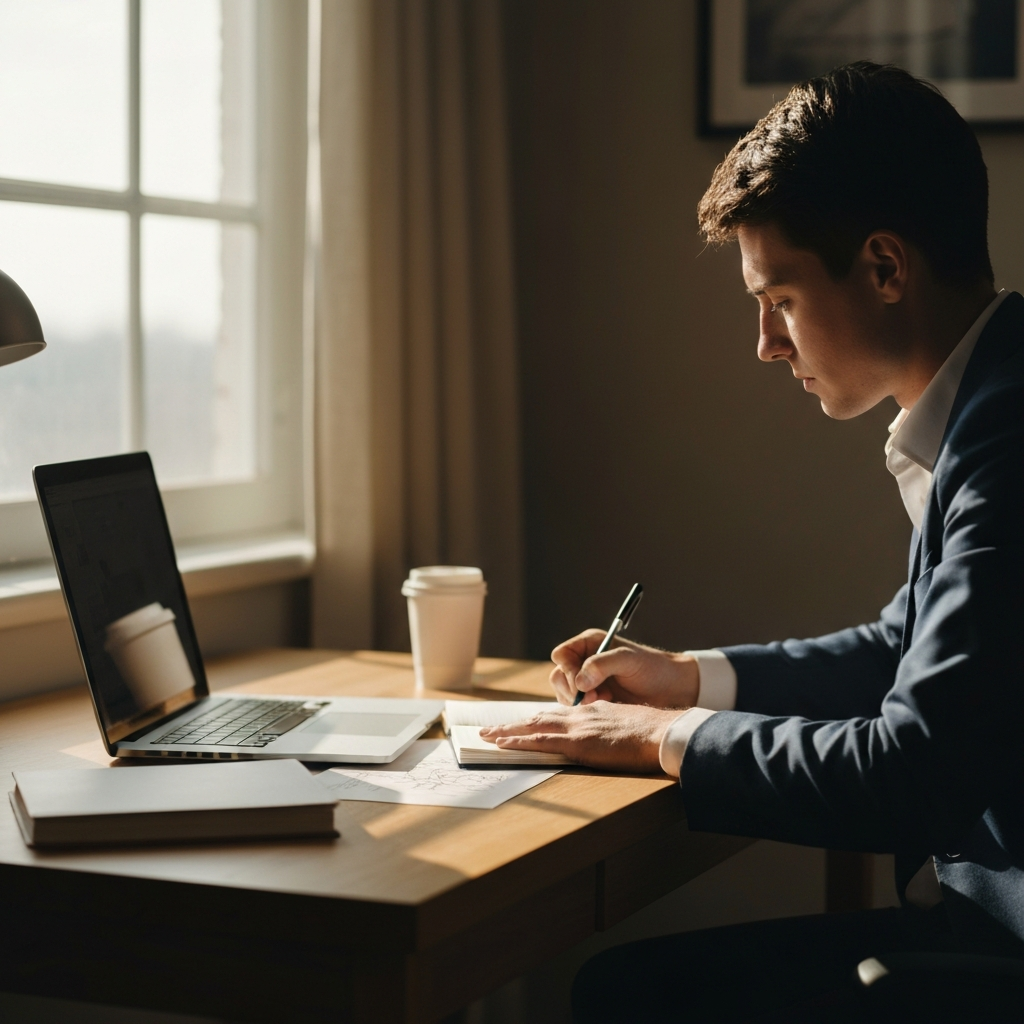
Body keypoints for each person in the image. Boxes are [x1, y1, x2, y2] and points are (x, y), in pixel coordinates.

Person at [480, 62, 1024, 1021]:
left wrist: (659, 738)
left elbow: (912, 771)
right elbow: (905, 652)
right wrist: (690, 678)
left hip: (1003, 946)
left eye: (777, 300)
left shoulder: (1010, 441)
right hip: (983, 924)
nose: (768, 345)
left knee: (626, 996)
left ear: (886, 268)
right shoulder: (990, 402)